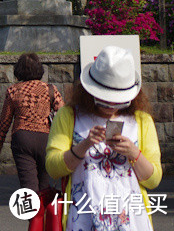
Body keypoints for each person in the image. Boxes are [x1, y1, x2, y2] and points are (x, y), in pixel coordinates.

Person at [46, 45, 162, 231]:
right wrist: (83, 145)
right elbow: (53, 167)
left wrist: (134, 153)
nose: (110, 106)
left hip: (132, 222)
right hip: (82, 219)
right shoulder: (68, 116)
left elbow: (153, 179)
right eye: (103, 98)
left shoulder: (141, 120)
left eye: (118, 101)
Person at [0, 52, 63, 203]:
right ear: (39, 69)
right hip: (46, 138)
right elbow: (63, 115)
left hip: (22, 137)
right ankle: (45, 222)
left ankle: (33, 221)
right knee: (44, 186)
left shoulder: (13, 90)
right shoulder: (51, 89)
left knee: (28, 187)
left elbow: (5, 120)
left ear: (19, 70)